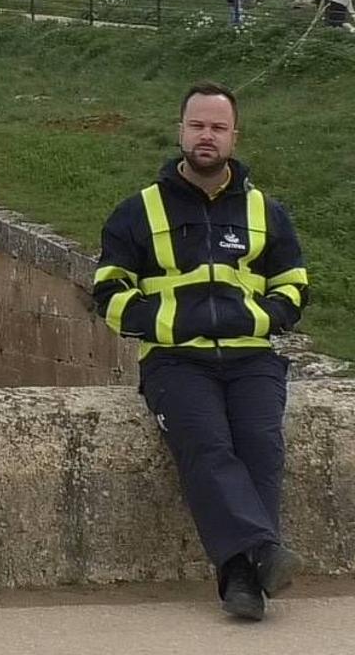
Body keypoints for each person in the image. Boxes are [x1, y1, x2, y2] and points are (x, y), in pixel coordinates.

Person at [92, 81, 310, 621]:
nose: (205, 136)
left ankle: (241, 581)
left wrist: (252, 318)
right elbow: (108, 292)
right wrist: (170, 326)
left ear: (234, 136)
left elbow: (294, 287)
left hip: (251, 357)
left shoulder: (266, 211)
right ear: (180, 131)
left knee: (261, 448)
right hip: (175, 360)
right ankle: (259, 558)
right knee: (208, 447)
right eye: (197, 126)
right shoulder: (137, 211)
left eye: (217, 127)